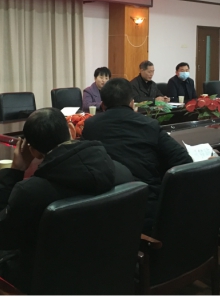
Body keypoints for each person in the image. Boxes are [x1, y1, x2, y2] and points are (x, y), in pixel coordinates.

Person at [0, 108, 133, 292]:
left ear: (33, 151)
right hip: (107, 276)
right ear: (71, 130)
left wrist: (14, 172)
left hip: (48, 284)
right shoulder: (123, 174)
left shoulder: (31, 193)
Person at [82, 78, 192, 233]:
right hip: (146, 208)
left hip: (105, 210)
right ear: (132, 102)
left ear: (103, 105)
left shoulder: (91, 126)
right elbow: (184, 161)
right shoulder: (149, 124)